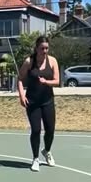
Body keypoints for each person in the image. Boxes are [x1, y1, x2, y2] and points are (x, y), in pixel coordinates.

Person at [17, 36, 60, 171]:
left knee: (50, 130)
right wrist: (21, 95)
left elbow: (57, 81)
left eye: (47, 48)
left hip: (47, 101)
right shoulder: (29, 61)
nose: (45, 51)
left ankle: (46, 151)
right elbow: (20, 79)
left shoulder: (52, 61)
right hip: (33, 102)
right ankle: (35, 158)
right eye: (42, 48)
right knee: (36, 130)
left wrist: (46, 82)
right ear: (36, 48)